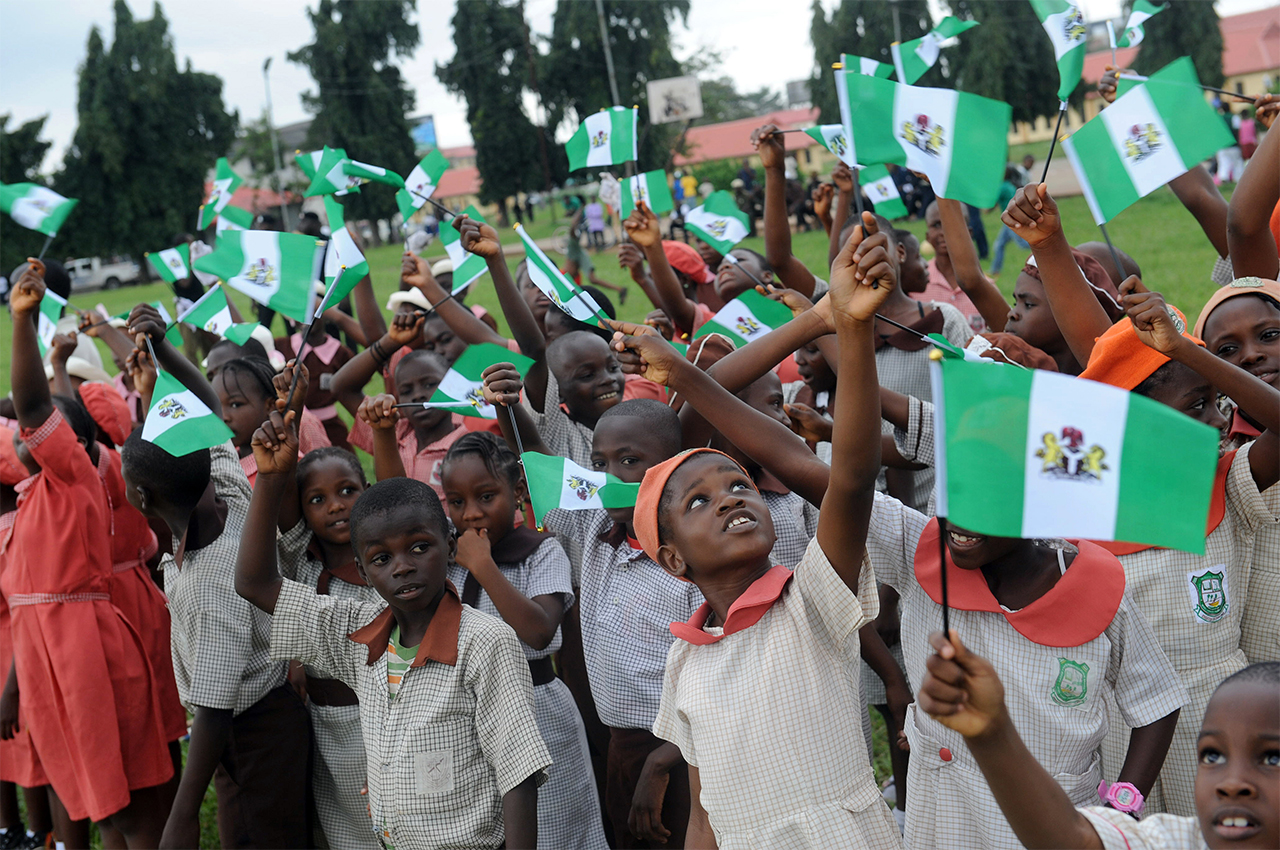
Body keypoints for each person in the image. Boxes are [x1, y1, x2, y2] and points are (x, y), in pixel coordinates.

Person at [604, 213, 912, 847]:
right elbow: (704, 815)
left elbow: (850, 479)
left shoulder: (814, 599)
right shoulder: (685, 661)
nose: (727, 500)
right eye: (697, 503)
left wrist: (849, 330)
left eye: (739, 485)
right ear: (673, 562)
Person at [235, 418, 550, 850]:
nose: (402, 565)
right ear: (363, 569)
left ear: (450, 541)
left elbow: (519, 770)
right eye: (382, 558)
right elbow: (254, 584)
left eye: (419, 547)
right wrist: (270, 479)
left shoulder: (484, 641)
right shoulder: (360, 636)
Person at [480, 377, 702, 849]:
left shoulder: (693, 554)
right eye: (600, 463)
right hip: (623, 738)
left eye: (630, 462)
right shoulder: (596, 524)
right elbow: (540, 460)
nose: (611, 477)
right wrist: (508, 405)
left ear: (670, 467)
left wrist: (666, 759)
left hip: (686, 746)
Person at [121, 303, 311, 848]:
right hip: (250, 724)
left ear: (141, 497)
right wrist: (164, 349)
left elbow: (213, 712)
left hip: (253, 734)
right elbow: (207, 405)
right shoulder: (224, 486)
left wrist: (182, 818)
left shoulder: (212, 587)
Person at [3, 262, 175, 846]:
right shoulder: (32, 495)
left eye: (40, 431)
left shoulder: (75, 478)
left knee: (121, 798)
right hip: (48, 649)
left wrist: (22, 323)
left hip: (85, 649)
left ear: (71, 443)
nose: (23, 436)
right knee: (86, 789)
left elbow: (29, 405)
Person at [919, 634, 1278, 850]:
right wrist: (990, 734)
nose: (1232, 784)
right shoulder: (1177, 841)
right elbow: (1072, 840)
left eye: (1272, 759)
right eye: (1213, 756)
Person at [440, 431, 610, 850]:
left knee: (554, 825)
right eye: (456, 502)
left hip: (538, 709)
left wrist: (484, 567)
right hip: (471, 711)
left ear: (517, 492)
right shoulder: (450, 556)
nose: (471, 514)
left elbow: (539, 631)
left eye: (485, 497)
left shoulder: (540, 551)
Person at [257, 428, 383, 849]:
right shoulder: (302, 561)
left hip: (382, 722)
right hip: (327, 727)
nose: (336, 506)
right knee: (346, 828)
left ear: (367, 491)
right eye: (317, 500)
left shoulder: (384, 565)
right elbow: (282, 505)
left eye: (348, 490)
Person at [1193, 278, 1280, 665]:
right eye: (1226, 350)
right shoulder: (1217, 444)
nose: (1251, 355)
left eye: (1270, 335)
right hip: (1254, 658)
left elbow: (1244, 229)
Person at [330, 312, 467, 499]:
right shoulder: (391, 433)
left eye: (430, 384)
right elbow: (341, 387)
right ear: (398, 400)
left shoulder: (467, 445)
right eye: (407, 390)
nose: (418, 395)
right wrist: (390, 341)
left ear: (452, 387)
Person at [989, 166, 1031, 278]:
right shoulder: (1009, 185)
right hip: (1010, 218)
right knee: (1000, 245)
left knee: (1022, 244)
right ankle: (995, 270)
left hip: (1011, 219)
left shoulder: (1002, 187)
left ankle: (1046, 247)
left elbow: (991, 204)